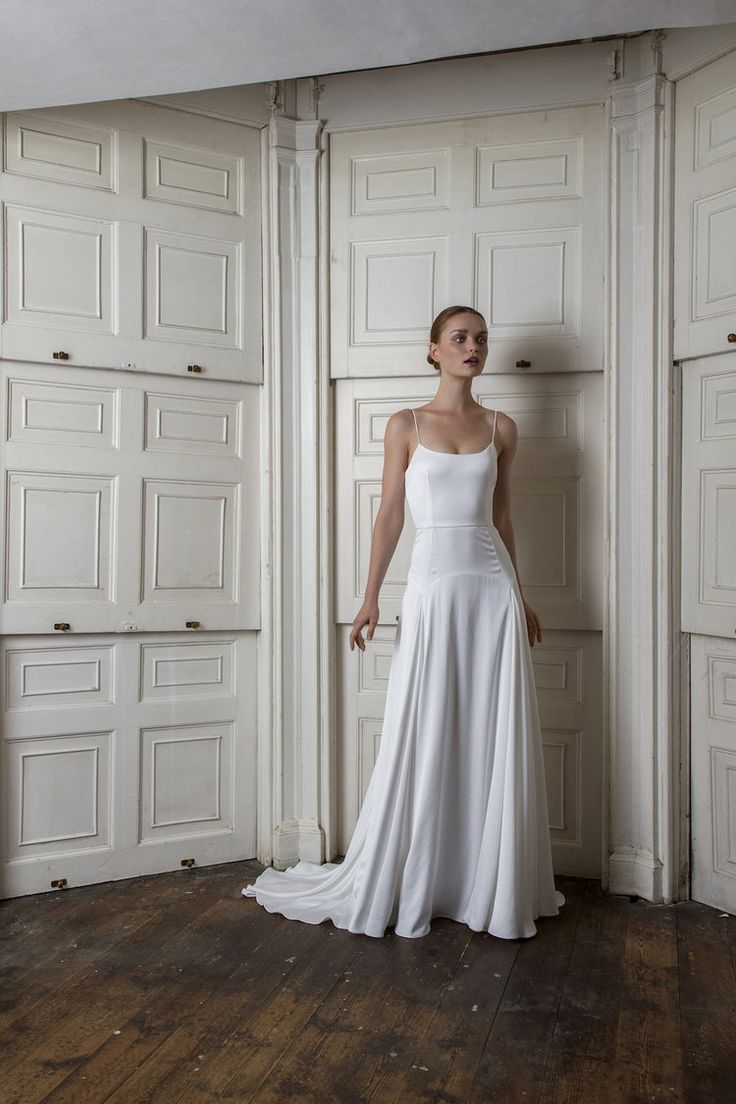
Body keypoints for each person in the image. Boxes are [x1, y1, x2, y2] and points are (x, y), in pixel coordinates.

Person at [242, 305, 565, 939]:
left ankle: (483, 882)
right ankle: (423, 873)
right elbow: (390, 512)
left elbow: (502, 520)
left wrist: (521, 595)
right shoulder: (405, 425)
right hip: (431, 588)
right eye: (459, 338)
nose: (473, 347)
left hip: (491, 591)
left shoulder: (503, 427)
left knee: (486, 728)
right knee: (428, 720)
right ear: (433, 351)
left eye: (481, 339)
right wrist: (370, 597)